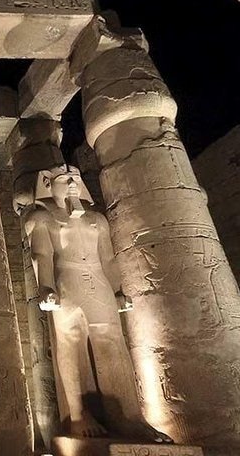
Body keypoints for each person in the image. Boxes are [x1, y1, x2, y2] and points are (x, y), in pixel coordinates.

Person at [25, 165, 170, 442]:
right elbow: (41, 255)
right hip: (67, 283)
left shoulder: (96, 219)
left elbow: (108, 258)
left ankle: (127, 416)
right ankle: (78, 415)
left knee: (113, 344)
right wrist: (46, 287)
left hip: (98, 282)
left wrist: (117, 290)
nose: (72, 184)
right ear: (48, 184)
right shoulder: (43, 218)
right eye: (65, 179)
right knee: (70, 344)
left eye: (76, 179)